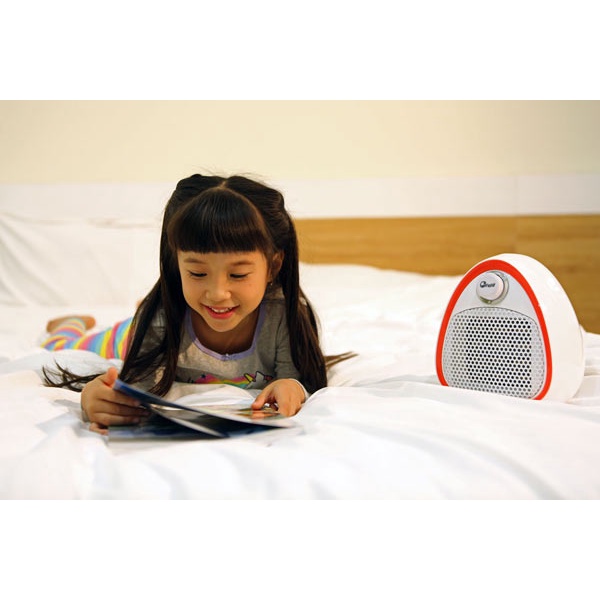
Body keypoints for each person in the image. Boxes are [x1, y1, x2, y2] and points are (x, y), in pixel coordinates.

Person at [43, 174, 350, 434]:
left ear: (273, 266)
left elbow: (294, 378)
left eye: (238, 274)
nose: (217, 293)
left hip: (173, 314)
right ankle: (69, 323)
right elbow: (136, 391)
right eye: (198, 273)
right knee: (66, 345)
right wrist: (96, 399)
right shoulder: (160, 321)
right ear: (176, 265)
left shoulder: (283, 315)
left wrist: (292, 387)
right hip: (145, 329)